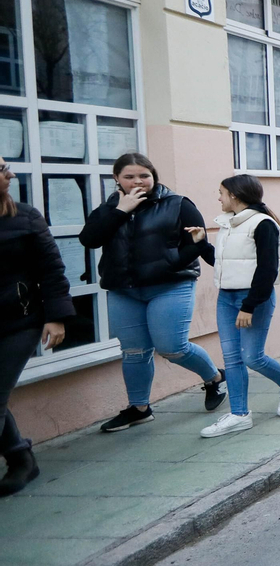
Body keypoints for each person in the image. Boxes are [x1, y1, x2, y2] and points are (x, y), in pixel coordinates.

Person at [82, 153, 227, 431]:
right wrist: (120, 211)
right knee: (134, 352)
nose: (138, 181)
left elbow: (196, 244)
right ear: (116, 179)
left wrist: (167, 265)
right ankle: (139, 408)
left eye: (144, 176)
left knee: (172, 347)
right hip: (124, 291)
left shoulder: (177, 204)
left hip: (171, 286)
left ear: (153, 176)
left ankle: (214, 378)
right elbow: (90, 239)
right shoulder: (108, 209)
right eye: (130, 176)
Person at [195, 175, 280, 438]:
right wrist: (201, 243)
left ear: (235, 195)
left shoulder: (263, 224)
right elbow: (224, 264)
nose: (218, 198)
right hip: (226, 298)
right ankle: (239, 414)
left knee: (252, 357)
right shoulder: (229, 225)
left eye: (221, 193)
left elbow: (267, 270)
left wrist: (249, 305)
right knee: (232, 359)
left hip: (254, 298)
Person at [0, 155, 71, 495]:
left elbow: (52, 270)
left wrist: (56, 317)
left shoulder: (25, 216)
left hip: (20, 321)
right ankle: (20, 457)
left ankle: (20, 459)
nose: (10, 173)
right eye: (2, 169)